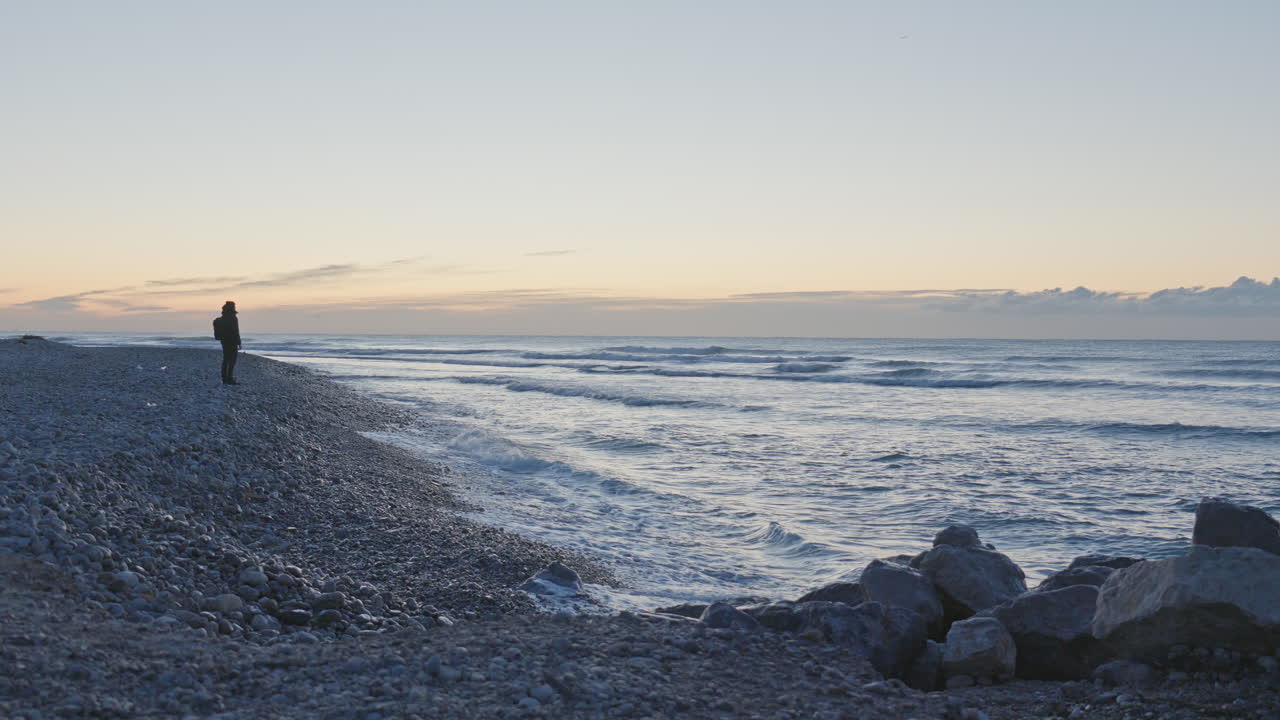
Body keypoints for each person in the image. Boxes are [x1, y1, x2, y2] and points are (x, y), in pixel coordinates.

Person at [212, 301, 242, 384]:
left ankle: (224, 378)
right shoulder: (233, 318)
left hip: (224, 341)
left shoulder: (222, 318)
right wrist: (239, 342)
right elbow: (236, 331)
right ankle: (230, 378)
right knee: (232, 360)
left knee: (226, 359)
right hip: (232, 341)